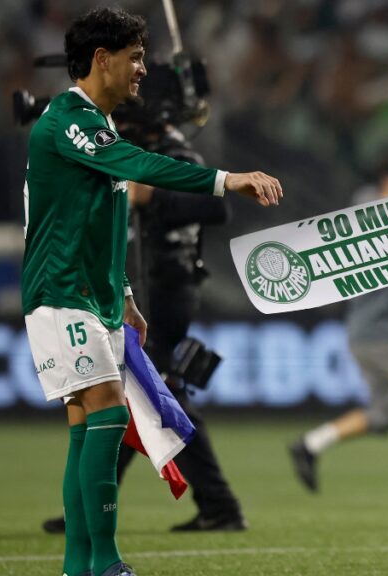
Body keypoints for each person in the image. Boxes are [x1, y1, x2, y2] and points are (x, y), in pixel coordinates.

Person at [21, 8, 282, 576]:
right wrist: (225, 178)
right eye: (135, 57)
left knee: (84, 426)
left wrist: (128, 297)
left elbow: (100, 228)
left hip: (93, 293)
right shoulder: (69, 121)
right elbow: (137, 165)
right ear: (101, 60)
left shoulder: (96, 128)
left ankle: (78, 566)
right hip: (63, 292)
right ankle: (108, 562)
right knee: (112, 413)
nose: (143, 70)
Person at [42, 120, 246, 536]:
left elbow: (216, 207)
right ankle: (212, 505)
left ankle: (220, 505)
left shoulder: (174, 150)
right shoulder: (141, 147)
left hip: (168, 290)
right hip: (152, 286)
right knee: (141, 395)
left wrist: (153, 200)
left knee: (150, 393)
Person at [288, 152, 388, 500]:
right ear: (387, 181)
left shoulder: (387, 213)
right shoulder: (373, 212)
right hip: (380, 332)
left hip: (369, 331)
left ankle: (311, 444)